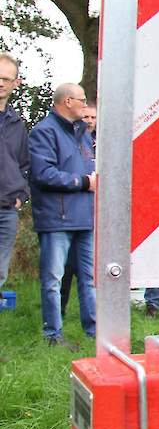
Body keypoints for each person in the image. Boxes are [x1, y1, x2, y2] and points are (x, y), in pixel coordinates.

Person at [28, 82, 96, 347]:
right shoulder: (43, 133)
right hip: (57, 218)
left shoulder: (82, 135)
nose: (84, 104)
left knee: (90, 280)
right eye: (81, 100)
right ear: (67, 101)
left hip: (85, 218)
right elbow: (43, 174)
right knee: (53, 280)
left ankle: (94, 334)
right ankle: (53, 336)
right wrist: (83, 182)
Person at [61, 104, 96, 318]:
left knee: (89, 272)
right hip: (69, 212)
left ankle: (94, 321)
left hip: (94, 215)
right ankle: (60, 313)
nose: (89, 120)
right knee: (64, 269)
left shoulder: (101, 143)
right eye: (86, 116)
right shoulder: (70, 141)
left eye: (93, 117)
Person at [0, 54, 29, 292]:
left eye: (6, 79)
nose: (1, 83)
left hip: (7, 208)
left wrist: (22, 195)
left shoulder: (17, 124)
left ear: (15, 83)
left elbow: (24, 165)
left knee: (0, 271)